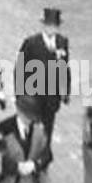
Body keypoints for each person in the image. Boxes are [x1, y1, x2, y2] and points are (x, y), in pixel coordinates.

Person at [15, 7, 70, 137]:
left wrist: (65, 91)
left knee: (47, 131)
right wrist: (20, 94)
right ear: (43, 26)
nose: (52, 29)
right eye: (49, 25)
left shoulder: (62, 42)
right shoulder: (31, 43)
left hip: (51, 97)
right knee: (32, 131)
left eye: (55, 26)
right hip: (33, 96)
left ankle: (43, 156)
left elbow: (64, 67)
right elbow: (19, 68)